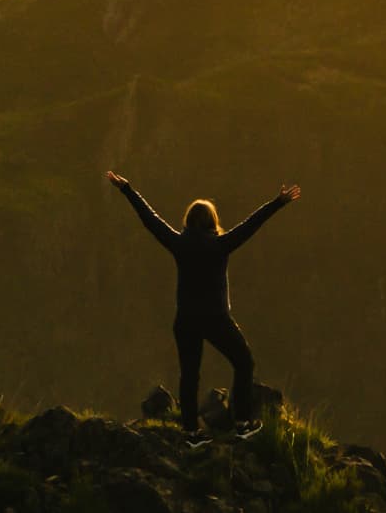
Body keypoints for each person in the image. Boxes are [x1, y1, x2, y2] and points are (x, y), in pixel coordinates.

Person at [107, 170, 301, 442]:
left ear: (188, 221)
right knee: (243, 362)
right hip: (215, 318)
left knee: (190, 375)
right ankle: (242, 422)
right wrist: (277, 203)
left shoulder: (178, 243)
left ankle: (191, 432)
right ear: (213, 221)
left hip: (185, 319)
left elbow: (149, 219)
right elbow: (251, 225)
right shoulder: (221, 245)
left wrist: (127, 189)